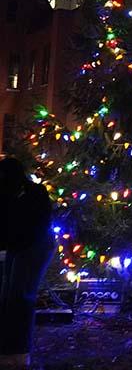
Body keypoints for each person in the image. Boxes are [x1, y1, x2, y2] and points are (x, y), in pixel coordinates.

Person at [0, 158, 54, 369]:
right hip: (17, 245)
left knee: (20, 298)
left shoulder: (33, 194)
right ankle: (9, 349)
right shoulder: (8, 194)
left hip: (35, 245)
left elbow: (33, 227)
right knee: (7, 297)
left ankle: (19, 351)